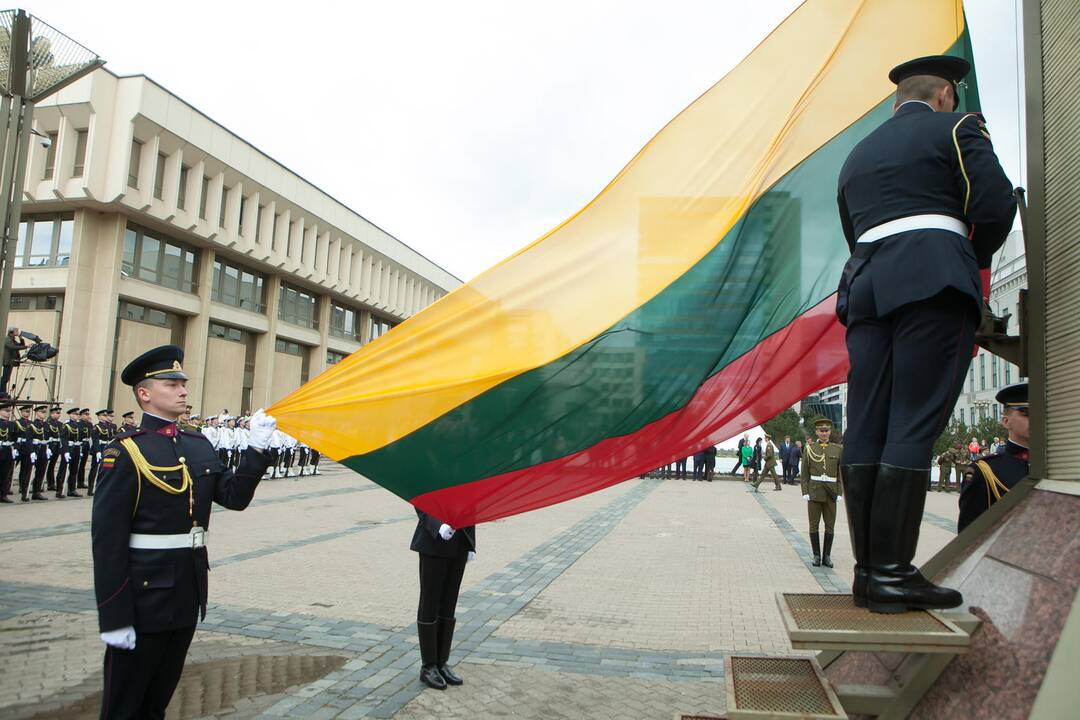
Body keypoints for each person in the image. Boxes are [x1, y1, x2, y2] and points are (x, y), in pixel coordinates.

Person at [835, 55, 1015, 614]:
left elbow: (852, 227)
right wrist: (963, 257)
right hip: (933, 279)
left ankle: (869, 574)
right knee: (913, 420)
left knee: (867, 423)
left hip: (867, 288)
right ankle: (892, 574)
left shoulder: (856, 155)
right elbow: (996, 204)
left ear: (897, 102)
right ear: (943, 93)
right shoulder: (959, 126)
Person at [91, 344, 276, 719]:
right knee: (124, 707)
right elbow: (107, 542)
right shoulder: (126, 452)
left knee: (157, 701)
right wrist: (114, 617)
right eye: (172, 384)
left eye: (183, 383)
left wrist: (256, 449)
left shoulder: (196, 443)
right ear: (145, 393)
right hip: (143, 596)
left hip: (186, 589)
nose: (183, 390)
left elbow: (234, 497)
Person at [411, 509, 475, 690]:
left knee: (449, 603)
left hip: (460, 542)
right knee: (429, 602)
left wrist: (471, 543)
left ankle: (441, 662)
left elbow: (471, 505)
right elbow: (419, 498)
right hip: (434, 540)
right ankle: (428, 666)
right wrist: (438, 526)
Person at [958, 383, 1029, 533]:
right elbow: (969, 536)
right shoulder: (984, 471)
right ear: (1006, 421)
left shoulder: (1058, 466)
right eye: (1026, 413)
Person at [801, 417, 842, 568]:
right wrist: (805, 491)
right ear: (817, 432)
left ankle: (827, 556)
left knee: (830, 525)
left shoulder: (837, 449)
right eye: (821, 431)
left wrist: (840, 492)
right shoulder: (810, 449)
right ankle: (817, 556)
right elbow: (804, 473)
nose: (824, 433)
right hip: (814, 492)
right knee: (814, 525)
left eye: (826, 431)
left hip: (831, 492)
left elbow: (840, 474)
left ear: (830, 432)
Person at [2, 327, 26, 394]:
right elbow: (13, 347)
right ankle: (2, 393)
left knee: (6, 378)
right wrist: (27, 346)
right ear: (11, 332)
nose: (17, 332)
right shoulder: (7, 339)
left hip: (11, 362)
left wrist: (20, 337)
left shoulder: (12, 340)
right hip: (8, 361)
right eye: (15, 331)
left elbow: (21, 345)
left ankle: (2, 393)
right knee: (5, 378)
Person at [0, 402, 14, 502]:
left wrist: (16, 448)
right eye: (6, 411)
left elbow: (16, 437)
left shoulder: (12, 424)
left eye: (9, 411)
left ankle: (3, 494)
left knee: (6, 473)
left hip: (8, 449)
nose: (8, 413)